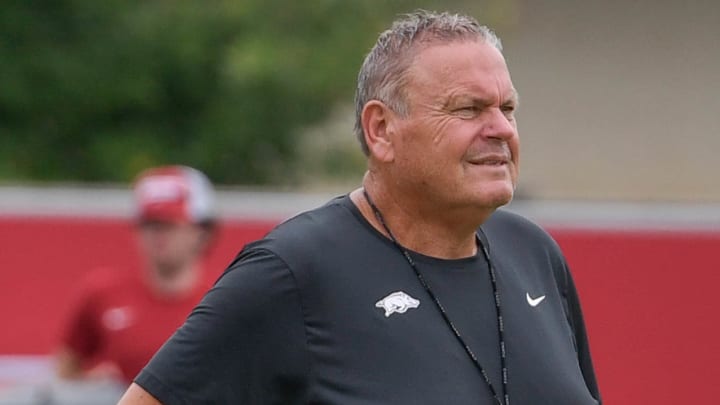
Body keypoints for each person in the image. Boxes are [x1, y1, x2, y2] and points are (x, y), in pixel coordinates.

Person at [118, 10, 601, 405]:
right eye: (468, 110)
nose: (501, 129)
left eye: (508, 109)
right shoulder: (294, 271)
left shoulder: (534, 255)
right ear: (381, 130)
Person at [55, 165, 218, 385]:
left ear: (202, 232)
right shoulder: (101, 294)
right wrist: (91, 386)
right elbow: (65, 372)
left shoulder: (222, 302)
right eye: (151, 224)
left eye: (170, 225)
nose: (159, 235)